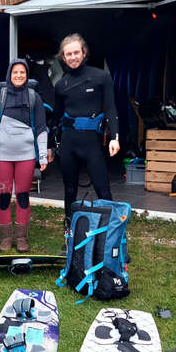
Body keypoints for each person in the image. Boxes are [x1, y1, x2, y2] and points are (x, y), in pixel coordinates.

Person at [52, 33, 119, 231]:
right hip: (69, 144)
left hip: (92, 144)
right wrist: (49, 146)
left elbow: (111, 109)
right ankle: (69, 230)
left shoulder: (101, 77)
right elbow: (55, 117)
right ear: (63, 57)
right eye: (68, 54)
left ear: (84, 53)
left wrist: (115, 137)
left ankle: (113, 233)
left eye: (76, 53)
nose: (72, 57)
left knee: (102, 188)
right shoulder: (61, 85)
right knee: (69, 189)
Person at [0, 59, 47, 253]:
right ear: (9, 75)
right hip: (1, 156)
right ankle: (6, 238)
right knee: (3, 196)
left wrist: (42, 156)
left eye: (22, 72)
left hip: (26, 156)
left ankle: (21, 238)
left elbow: (41, 128)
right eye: (15, 72)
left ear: (27, 75)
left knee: (22, 196)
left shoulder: (34, 97)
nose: (19, 75)